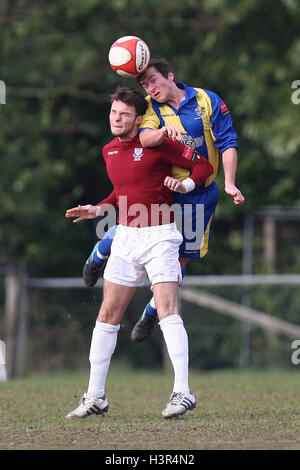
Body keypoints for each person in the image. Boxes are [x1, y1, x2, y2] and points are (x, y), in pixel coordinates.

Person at [65, 87, 213, 419]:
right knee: (107, 316)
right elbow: (123, 191)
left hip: (160, 236)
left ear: (138, 118)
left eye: (124, 115)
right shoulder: (109, 152)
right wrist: (98, 208)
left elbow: (203, 167)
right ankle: (96, 397)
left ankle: (183, 392)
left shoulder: (159, 143)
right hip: (127, 238)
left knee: (166, 310)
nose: (117, 119)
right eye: (114, 113)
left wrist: (185, 185)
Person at [83, 58, 245, 343]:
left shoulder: (206, 100)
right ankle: (101, 250)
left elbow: (227, 142)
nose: (150, 88)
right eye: (145, 84)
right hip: (166, 191)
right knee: (138, 226)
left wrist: (230, 183)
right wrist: (164, 132)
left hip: (200, 195)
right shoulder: (148, 107)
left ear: (170, 76)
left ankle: (150, 312)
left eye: (153, 81)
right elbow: (145, 140)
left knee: (181, 262)